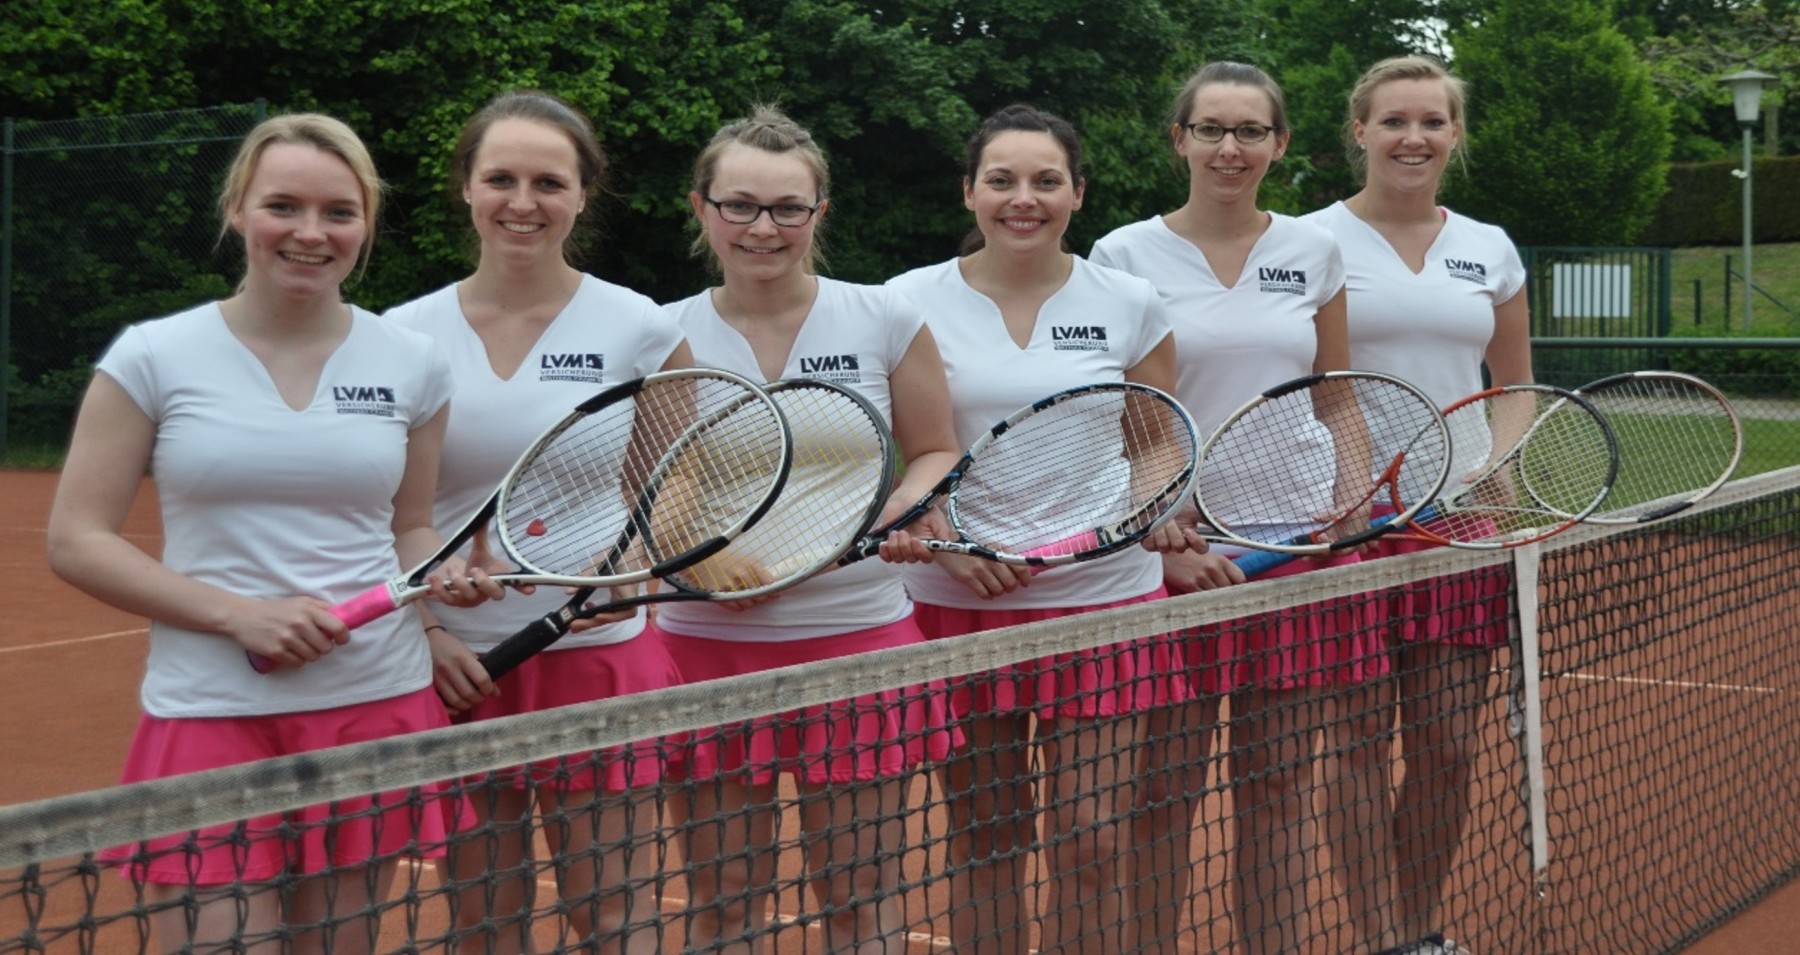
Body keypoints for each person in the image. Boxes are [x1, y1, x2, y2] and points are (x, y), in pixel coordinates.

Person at [45, 113, 497, 955]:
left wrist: (440, 579)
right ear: (237, 210)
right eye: (283, 206)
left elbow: (410, 524)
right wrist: (238, 615)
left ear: (365, 225)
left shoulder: (413, 361)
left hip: (372, 703)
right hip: (212, 707)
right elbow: (76, 538)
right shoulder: (152, 356)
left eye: (339, 212)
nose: (311, 233)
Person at [1090, 62, 1396, 955]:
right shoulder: (1120, 257)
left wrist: (1348, 501)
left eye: (1251, 131)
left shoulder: (1315, 251)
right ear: (1179, 139)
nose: (1231, 148)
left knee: (1278, 786)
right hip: (1180, 556)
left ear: (1280, 144)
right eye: (1212, 129)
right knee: (1163, 793)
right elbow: (1115, 421)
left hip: (1296, 548)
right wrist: (1159, 534)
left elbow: (1337, 397)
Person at [384, 90, 691, 955]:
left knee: (614, 914)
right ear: (467, 187)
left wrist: (632, 561)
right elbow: (390, 514)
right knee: (485, 922)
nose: (523, 202)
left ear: (583, 195)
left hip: (597, 659)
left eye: (549, 182)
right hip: (460, 666)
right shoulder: (401, 337)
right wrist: (431, 631)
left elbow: (677, 481)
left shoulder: (640, 327)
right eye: (501, 179)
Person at [887, 103, 1195, 955]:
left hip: (1104, 601)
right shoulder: (905, 302)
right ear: (969, 192)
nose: (1023, 198)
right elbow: (898, 447)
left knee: (1092, 838)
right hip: (959, 601)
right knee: (985, 834)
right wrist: (940, 533)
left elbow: (1157, 438)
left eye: (1046, 180)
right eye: (1002, 180)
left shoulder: (1131, 302)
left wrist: (1147, 511)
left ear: (1077, 193)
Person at [654, 105, 962, 955]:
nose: (764, 228)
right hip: (707, 648)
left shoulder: (884, 315)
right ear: (702, 208)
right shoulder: (660, 331)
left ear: (819, 212)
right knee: (724, 907)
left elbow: (935, 448)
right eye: (741, 205)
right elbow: (655, 483)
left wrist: (903, 508)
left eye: (788, 207)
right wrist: (704, 563)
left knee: (861, 903)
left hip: (858, 636)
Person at [1303, 54, 1532, 955]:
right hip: (1348, 525)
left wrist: (1497, 462)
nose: (1413, 137)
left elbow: (1513, 383)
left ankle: (1419, 933)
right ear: (1359, 130)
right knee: (1356, 741)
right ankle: (1381, 941)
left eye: (1432, 121)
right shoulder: (1308, 244)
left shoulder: (1490, 247)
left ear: (1455, 134)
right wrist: (1343, 493)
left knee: (1448, 746)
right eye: (1394, 120)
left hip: (1458, 525)